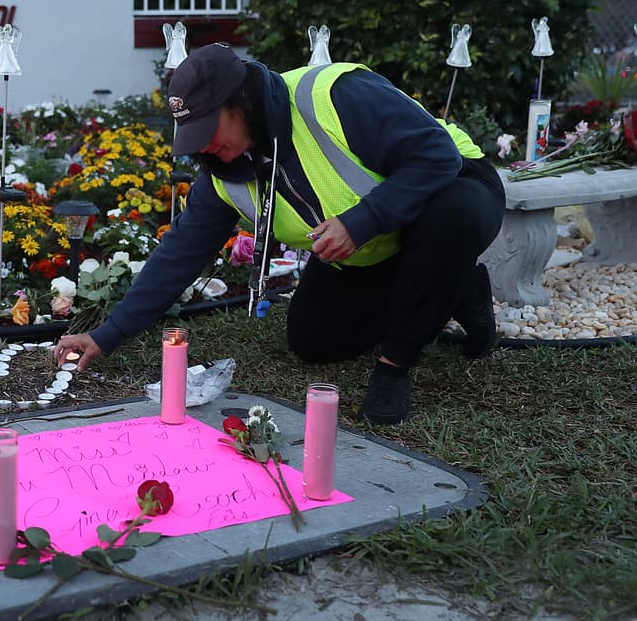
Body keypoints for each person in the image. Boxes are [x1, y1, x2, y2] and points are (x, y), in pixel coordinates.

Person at [53, 43, 505, 424]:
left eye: (210, 129)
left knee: (453, 220)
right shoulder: (222, 172)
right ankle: (456, 288)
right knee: (314, 340)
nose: (205, 145)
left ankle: (395, 367)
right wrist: (106, 335)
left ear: (241, 103)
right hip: (375, 248)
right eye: (193, 136)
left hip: (453, 188)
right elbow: (181, 253)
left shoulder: (334, 95)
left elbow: (437, 157)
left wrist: (358, 223)